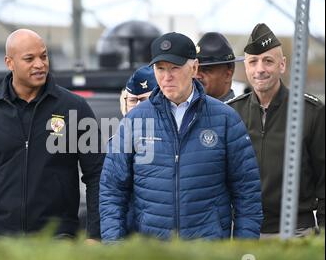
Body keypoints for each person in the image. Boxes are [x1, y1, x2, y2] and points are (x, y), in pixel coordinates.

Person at [99, 32, 263, 241]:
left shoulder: (226, 120)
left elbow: (247, 195)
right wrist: (114, 247)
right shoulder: (134, 121)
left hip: (208, 257)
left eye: (175, 68)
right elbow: (112, 191)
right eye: (160, 69)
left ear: (194, 68)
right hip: (150, 256)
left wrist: (243, 253)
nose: (167, 77)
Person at [0, 29, 104, 241]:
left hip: (58, 240)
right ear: (9, 63)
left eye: (44, 56)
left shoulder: (75, 108)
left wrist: (95, 235)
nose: (40, 64)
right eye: (29, 59)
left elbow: (98, 175)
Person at [227, 23, 325, 237]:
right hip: (244, 233)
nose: (260, 69)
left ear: (282, 65)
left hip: (297, 232)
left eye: (268, 61)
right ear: (246, 67)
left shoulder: (311, 112)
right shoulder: (232, 113)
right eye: (253, 62)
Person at [195, 32, 244, 102]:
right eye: (195, 69)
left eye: (206, 70)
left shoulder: (238, 112)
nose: (197, 76)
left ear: (228, 74)